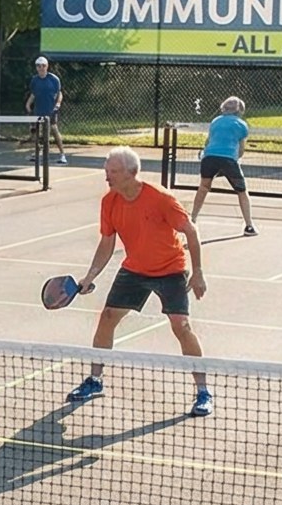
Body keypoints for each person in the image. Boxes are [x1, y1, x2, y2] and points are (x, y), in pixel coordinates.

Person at [65, 148, 211, 416]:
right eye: (107, 170)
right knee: (107, 317)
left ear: (132, 173)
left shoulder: (161, 199)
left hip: (170, 269)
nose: (107, 176)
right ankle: (95, 380)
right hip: (135, 270)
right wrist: (90, 276)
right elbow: (107, 242)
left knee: (181, 326)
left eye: (114, 171)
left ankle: (203, 391)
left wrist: (198, 271)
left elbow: (191, 230)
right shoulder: (109, 202)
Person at [191, 96, 255, 237]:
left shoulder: (215, 121)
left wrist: (205, 155)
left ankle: (192, 218)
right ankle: (249, 226)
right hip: (228, 160)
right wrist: (235, 160)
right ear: (239, 110)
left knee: (203, 187)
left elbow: (208, 142)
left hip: (209, 158)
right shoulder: (242, 125)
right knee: (242, 191)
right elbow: (241, 149)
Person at [26, 55, 65, 161]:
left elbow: (59, 94)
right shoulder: (34, 80)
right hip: (38, 111)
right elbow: (33, 94)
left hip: (51, 111)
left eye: (43, 65)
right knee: (36, 133)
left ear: (47, 66)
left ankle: (62, 155)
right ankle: (37, 153)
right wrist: (28, 104)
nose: (41, 68)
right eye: (38, 66)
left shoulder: (54, 79)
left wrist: (57, 104)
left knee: (54, 131)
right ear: (36, 67)